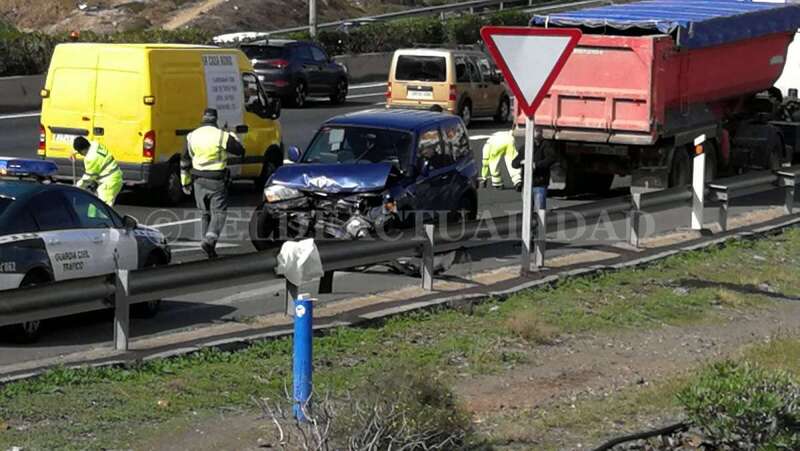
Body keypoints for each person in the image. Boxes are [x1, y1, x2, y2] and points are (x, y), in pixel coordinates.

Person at [181, 108, 246, 259]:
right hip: (216, 180)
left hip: (198, 180)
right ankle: (209, 240)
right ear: (215, 120)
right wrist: (233, 135)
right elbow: (240, 151)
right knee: (219, 213)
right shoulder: (221, 136)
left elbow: (184, 161)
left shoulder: (192, 136)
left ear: (203, 119)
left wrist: (185, 182)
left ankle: (208, 246)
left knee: (205, 213)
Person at [72, 136, 123, 206]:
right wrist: (75, 153)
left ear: (82, 150)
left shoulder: (91, 158)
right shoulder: (94, 144)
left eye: (80, 152)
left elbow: (88, 178)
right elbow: (85, 146)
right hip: (112, 177)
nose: (81, 154)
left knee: (102, 209)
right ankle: (92, 217)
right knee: (94, 207)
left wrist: (76, 188)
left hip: (110, 183)